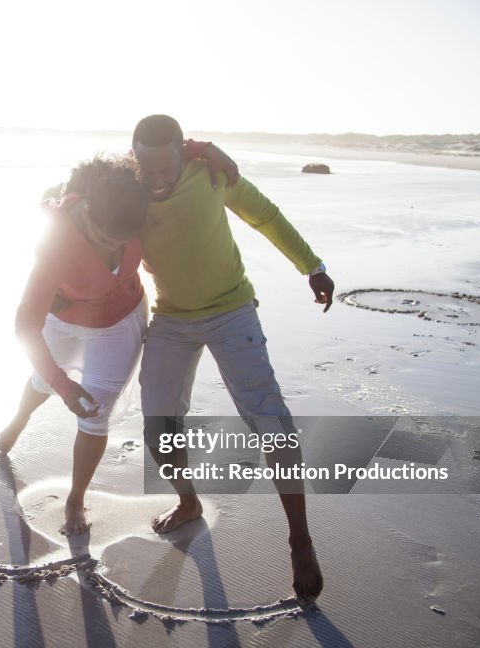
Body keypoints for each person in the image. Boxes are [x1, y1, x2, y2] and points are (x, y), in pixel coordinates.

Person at [132, 114, 332, 604]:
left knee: (270, 418)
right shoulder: (126, 184)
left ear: (182, 155)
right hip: (172, 318)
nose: (157, 181)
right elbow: (79, 197)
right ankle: (188, 502)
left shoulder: (212, 173)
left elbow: (265, 215)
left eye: (166, 168)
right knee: (157, 423)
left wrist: (313, 266)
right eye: (147, 168)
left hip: (231, 311)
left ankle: (300, 539)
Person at [0, 144, 239, 536]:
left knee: (93, 413)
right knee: (45, 380)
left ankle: (76, 498)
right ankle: (19, 419)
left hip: (119, 320)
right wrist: (62, 384)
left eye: (122, 241)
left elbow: (154, 151)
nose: (112, 249)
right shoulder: (56, 242)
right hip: (65, 318)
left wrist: (203, 149)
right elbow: (25, 324)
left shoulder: (134, 197)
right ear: (88, 213)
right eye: (102, 237)